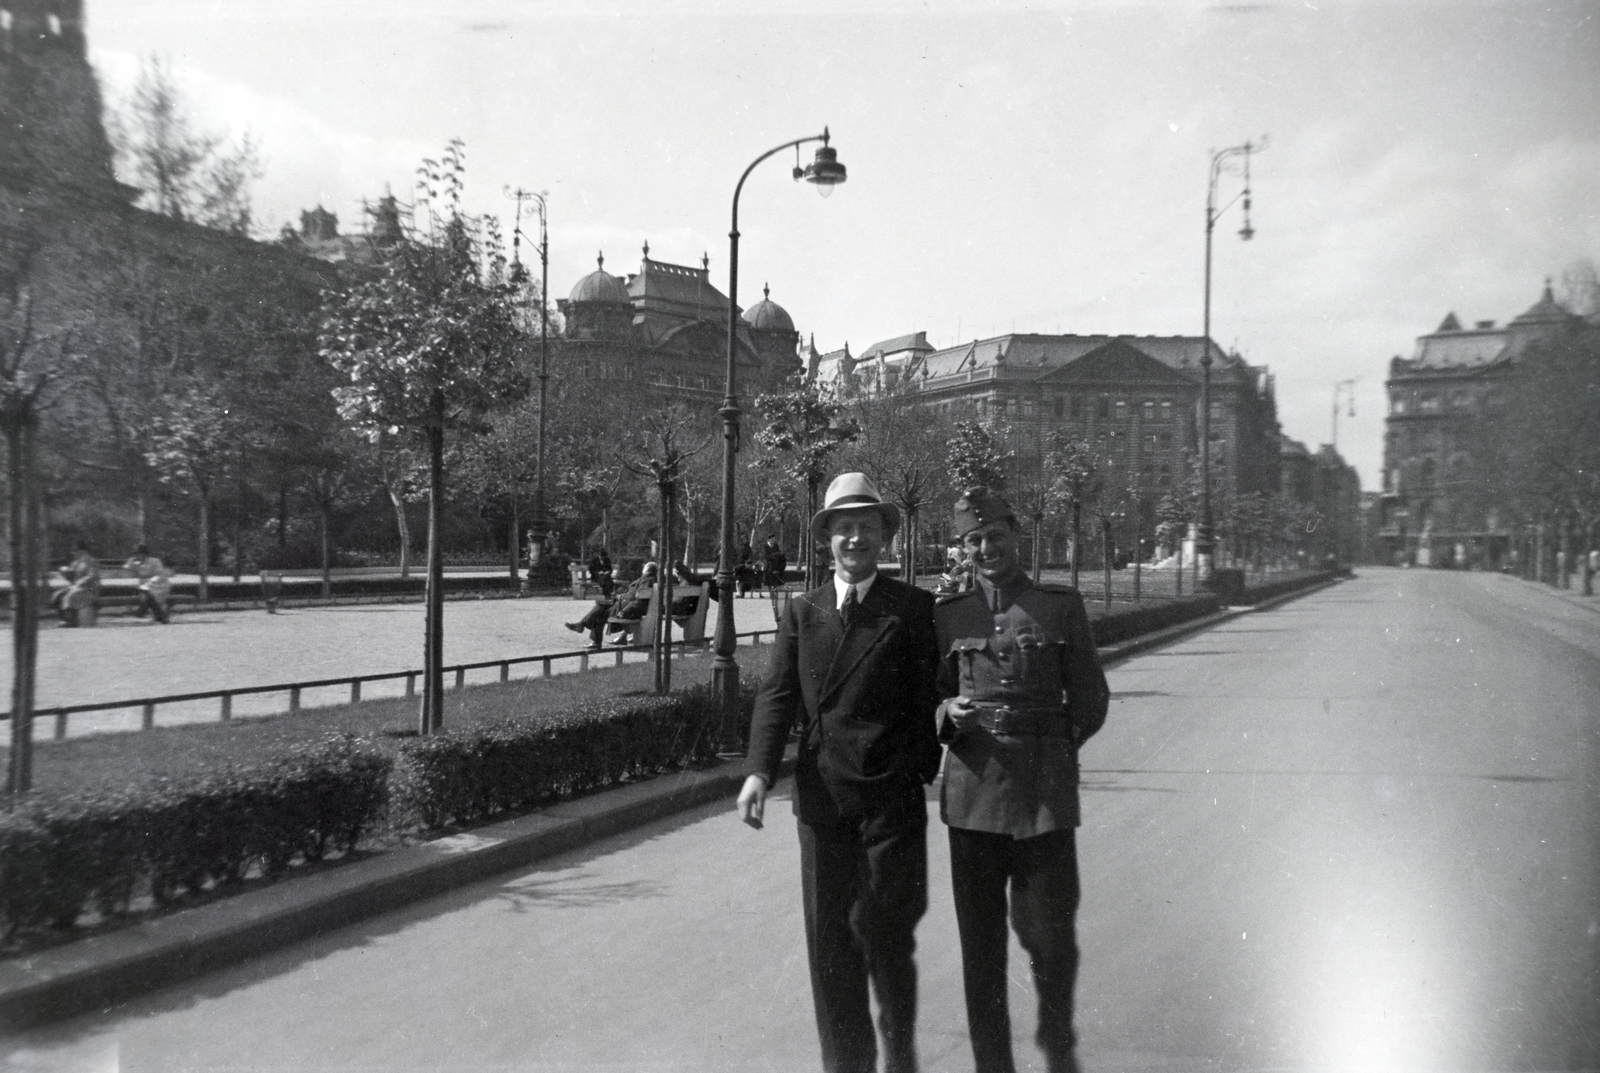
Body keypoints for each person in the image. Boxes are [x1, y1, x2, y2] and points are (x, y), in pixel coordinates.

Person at [739, 472, 940, 1073]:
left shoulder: (912, 608)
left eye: (866, 527)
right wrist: (757, 772)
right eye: (843, 528)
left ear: (884, 537)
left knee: (885, 936)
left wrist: (918, 767)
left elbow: (934, 694)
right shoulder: (804, 611)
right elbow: (778, 696)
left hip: (890, 803)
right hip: (822, 800)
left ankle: (899, 1054)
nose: (855, 539)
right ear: (826, 539)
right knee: (830, 945)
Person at [934, 487, 1110, 1073]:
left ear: (1017, 539)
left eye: (996, 538)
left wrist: (1052, 747)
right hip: (973, 795)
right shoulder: (949, 614)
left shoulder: (1058, 606)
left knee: (1051, 941)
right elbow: (925, 694)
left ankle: (1057, 1047)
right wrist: (942, 714)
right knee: (981, 950)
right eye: (974, 540)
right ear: (963, 547)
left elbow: (1090, 699)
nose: (986, 549)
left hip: (1043, 798)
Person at [566, 562, 657, 649]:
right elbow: (636, 597)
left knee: (599, 611)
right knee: (602, 605)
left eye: (644, 568)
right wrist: (621, 597)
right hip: (626, 606)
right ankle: (582, 625)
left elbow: (640, 602)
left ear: (647, 570)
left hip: (628, 610)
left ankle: (591, 635)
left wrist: (624, 611)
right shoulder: (649, 580)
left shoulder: (647, 580)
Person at [123, 544, 173, 624]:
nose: (137, 556)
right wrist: (131, 561)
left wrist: (150, 582)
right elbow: (125, 568)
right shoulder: (137, 563)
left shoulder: (154, 561)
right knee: (148, 594)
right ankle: (160, 616)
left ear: (144, 554)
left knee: (150, 594)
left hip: (160, 584)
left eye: (139, 554)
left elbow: (160, 574)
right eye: (136, 554)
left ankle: (143, 611)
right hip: (146, 586)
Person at [57, 545, 101, 627]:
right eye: (73, 551)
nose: (74, 553)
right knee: (59, 595)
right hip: (77, 587)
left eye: (76, 551)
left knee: (69, 596)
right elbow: (72, 575)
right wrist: (64, 573)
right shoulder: (76, 562)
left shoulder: (91, 561)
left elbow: (92, 575)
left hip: (89, 588)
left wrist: (80, 582)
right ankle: (65, 619)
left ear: (83, 551)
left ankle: (70, 621)